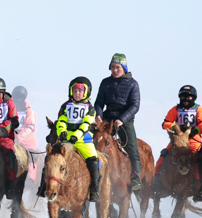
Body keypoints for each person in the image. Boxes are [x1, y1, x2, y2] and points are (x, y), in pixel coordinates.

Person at [95, 52, 143, 191]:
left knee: (132, 147)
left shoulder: (133, 84)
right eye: (112, 67)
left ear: (124, 68)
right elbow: (98, 103)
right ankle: (94, 175)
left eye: (118, 67)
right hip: (107, 118)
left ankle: (136, 177)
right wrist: (99, 115)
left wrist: (122, 119)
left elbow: (135, 105)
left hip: (124, 120)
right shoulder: (105, 82)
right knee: (95, 142)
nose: (115, 70)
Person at [52, 77, 101, 202]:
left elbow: (87, 123)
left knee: (94, 160)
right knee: (51, 157)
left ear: (85, 92)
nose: (77, 93)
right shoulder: (65, 106)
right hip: (66, 140)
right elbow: (61, 121)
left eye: (80, 91)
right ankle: (43, 186)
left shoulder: (90, 108)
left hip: (83, 140)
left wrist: (77, 135)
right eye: (75, 91)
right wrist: (62, 132)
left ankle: (94, 190)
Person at [161, 85, 202, 200]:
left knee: (197, 158)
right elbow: (165, 123)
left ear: (194, 98)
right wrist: (175, 127)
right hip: (178, 139)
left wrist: (195, 130)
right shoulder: (175, 109)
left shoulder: (199, 110)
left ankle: (198, 186)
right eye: (183, 96)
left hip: (193, 139)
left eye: (189, 97)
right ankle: (157, 180)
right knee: (164, 154)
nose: (186, 99)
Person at [12, 85, 41, 181]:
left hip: (27, 139)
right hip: (11, 136)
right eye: (16, 97)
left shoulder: (30, 112)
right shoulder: (9, 110)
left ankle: (30, 178)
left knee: (33, 155)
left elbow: (30, 126)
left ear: (24, 98)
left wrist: (19, 137)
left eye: (20, 97)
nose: (18, 99)